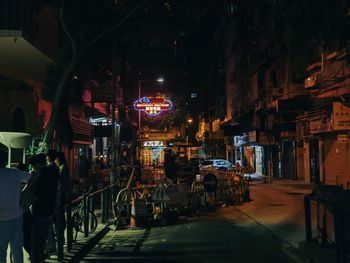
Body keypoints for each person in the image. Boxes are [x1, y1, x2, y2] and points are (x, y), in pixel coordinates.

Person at [0, 148, 31, 263]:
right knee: (17, 248)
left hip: (2, 219)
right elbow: (32, 177)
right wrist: (24, 192)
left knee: (1, 251)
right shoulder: (14, 172)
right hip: (17, 216)